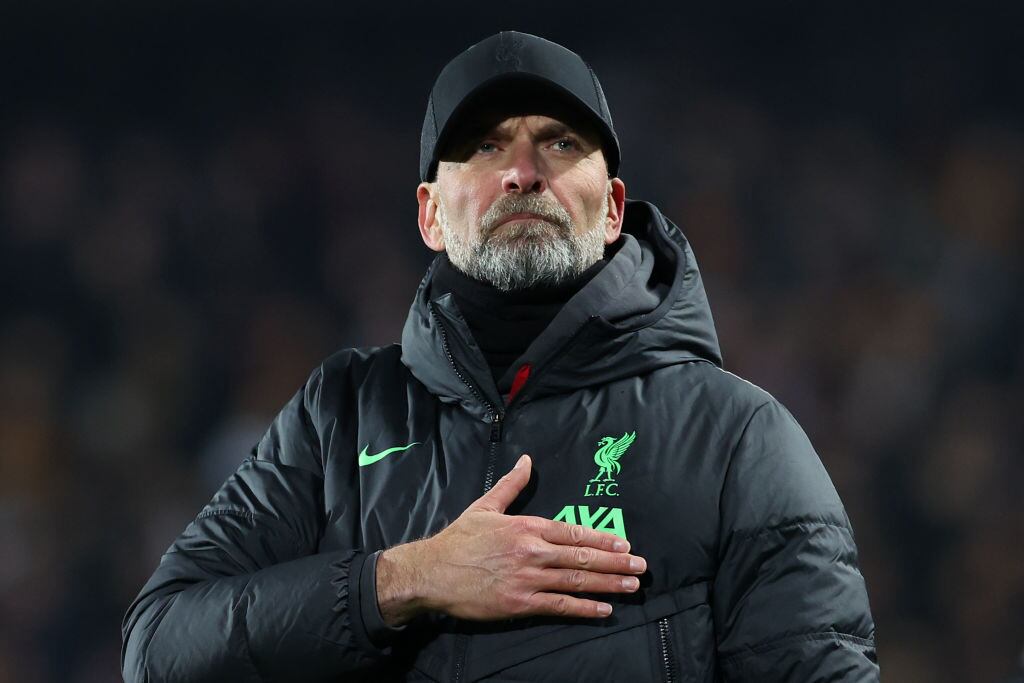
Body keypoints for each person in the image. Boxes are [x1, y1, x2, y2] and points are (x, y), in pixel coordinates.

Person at [122, 31, 879, 682]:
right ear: (429, 215)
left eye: (559, 142)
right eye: (485, 145)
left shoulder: (734, 437)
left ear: (613, 207)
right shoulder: (342, 417)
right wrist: (407, 578)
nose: (524, 171)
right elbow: (158, 646)